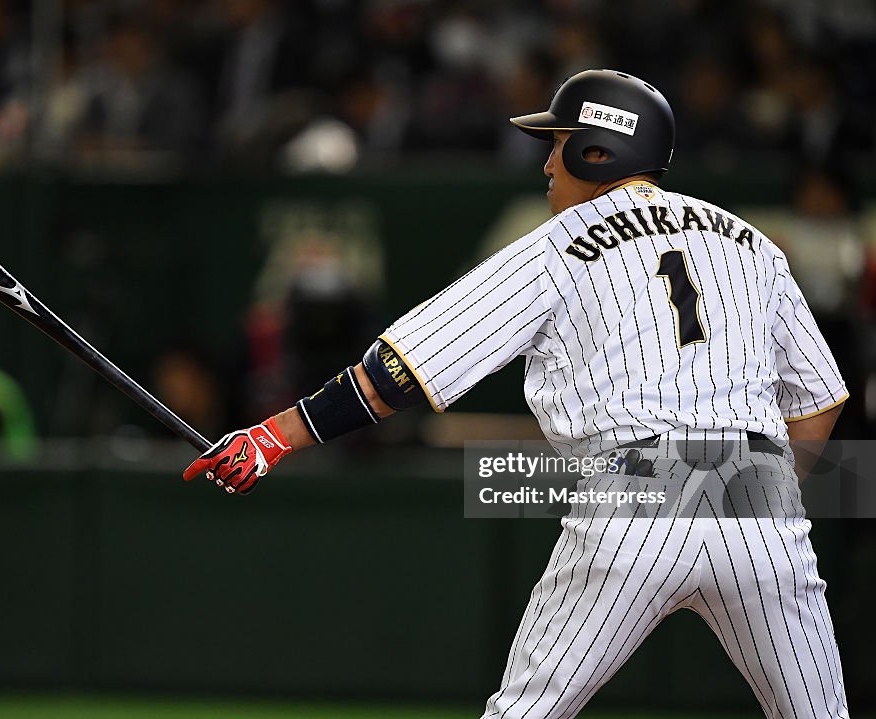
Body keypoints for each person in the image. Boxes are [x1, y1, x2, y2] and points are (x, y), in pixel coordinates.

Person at [183, 70, 850, 717]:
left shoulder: (560, 244)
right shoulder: (753, 244)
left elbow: (398, 372)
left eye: (558, 145)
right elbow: (820, 399)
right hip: (763, 501)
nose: (547, 166)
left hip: (641, 495)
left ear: (599, 149)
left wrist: (273, 436)